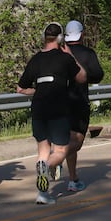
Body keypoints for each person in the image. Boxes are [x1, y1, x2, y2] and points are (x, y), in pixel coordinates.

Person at [17, 22, 86, 205]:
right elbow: (82, 77)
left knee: (43, 149)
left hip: (39, 108)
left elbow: (20, 88)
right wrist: (70, 55)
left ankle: (43, 194)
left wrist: (38, 90)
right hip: (58, 108)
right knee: (61, 150)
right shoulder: (65, 59)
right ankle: (46, 167)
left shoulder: (35, 59)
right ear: (61, 38)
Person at [62, 20, 104, 191]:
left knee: (67, 140)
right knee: (76, 142)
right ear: (83, 35)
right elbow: (98, 75)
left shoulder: (58, 52)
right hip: (78, 102)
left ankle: (73, 179)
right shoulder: (87, 53)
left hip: (57, 103)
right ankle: (52, 160)